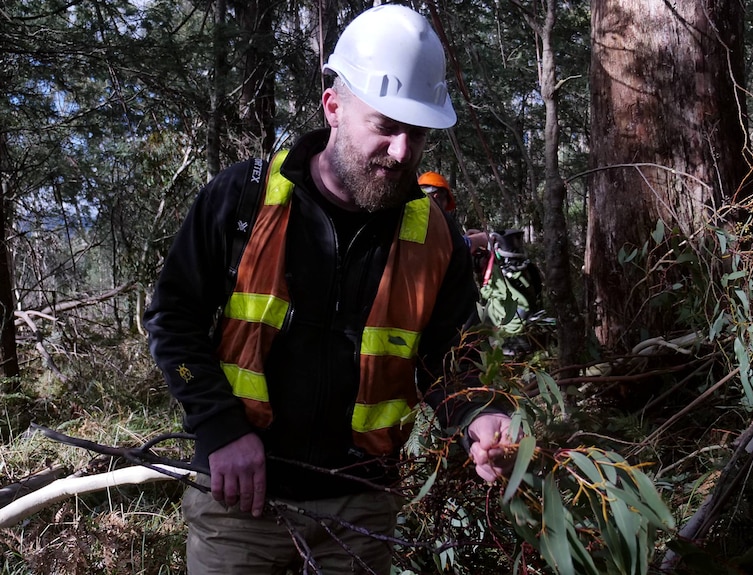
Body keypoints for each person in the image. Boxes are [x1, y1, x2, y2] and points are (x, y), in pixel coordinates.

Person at [144, 5, 516, 574]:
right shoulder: (242, 201)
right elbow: (173, 319)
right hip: (242, 501)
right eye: (386, 127)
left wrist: (477, 415)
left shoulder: (436, 238)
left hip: (364, 506)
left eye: (416, 134)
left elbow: (451, 361)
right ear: (334, 107)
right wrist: (220, 429)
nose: (401, 153)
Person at [417, 170, 489, 254]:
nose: (444, 211)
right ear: (437, 196)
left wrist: (464, 238)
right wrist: (480, 239)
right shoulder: (423, 218)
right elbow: (444, 251)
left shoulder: (410, 215)